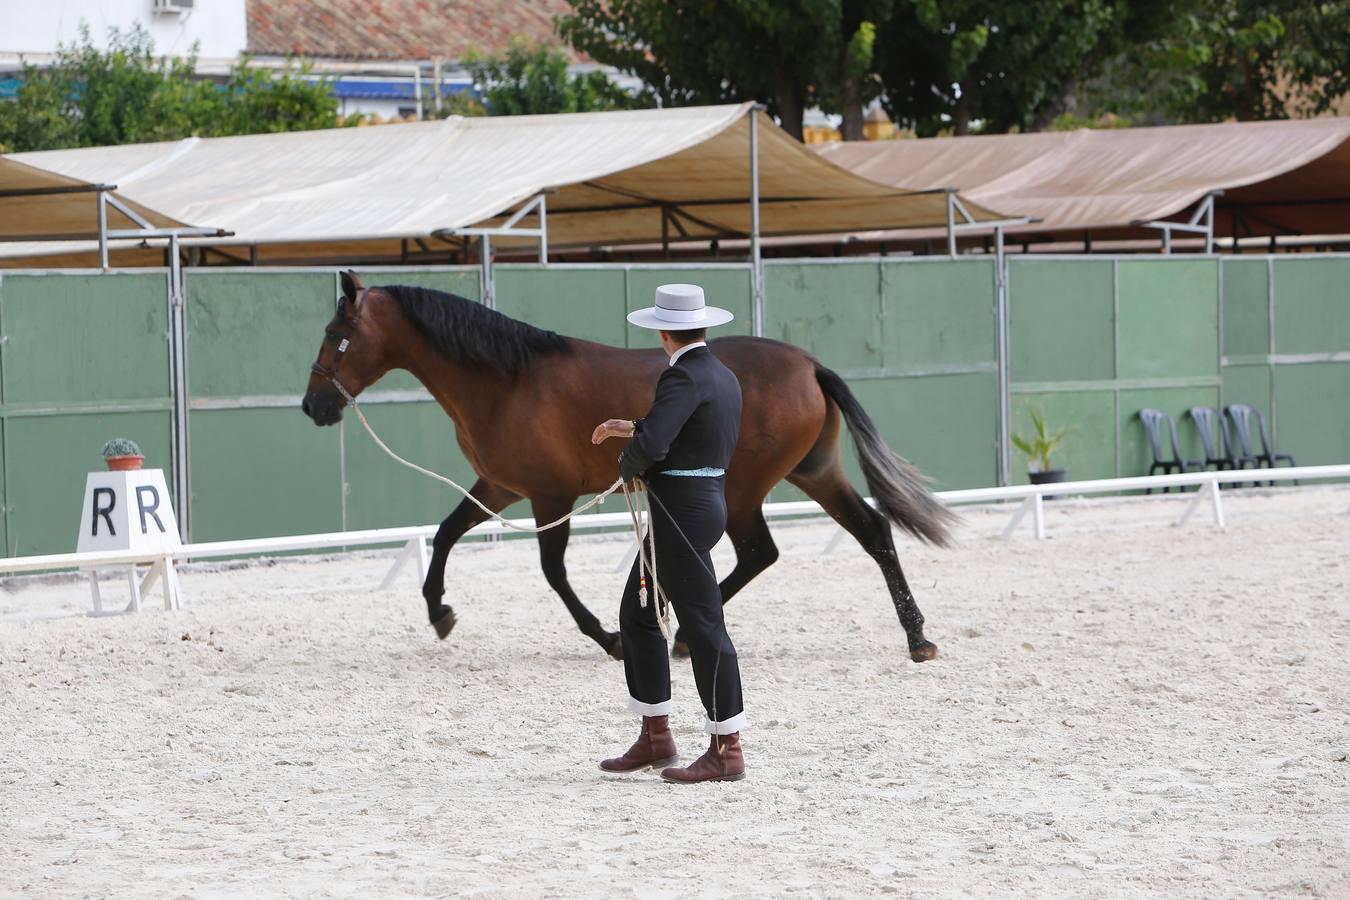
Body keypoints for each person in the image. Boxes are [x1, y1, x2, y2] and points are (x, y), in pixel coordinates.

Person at [590, 283, 746, 784]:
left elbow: (657, 443)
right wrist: (633, 426)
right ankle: (656, 735)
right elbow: (685, 429)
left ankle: (726, 748)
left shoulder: (679, 377)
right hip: (702, 503)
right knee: (637, 614)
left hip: (678, 511)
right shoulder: (719, 375)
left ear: (663, 329)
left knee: (702, 623)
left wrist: (627, 462)